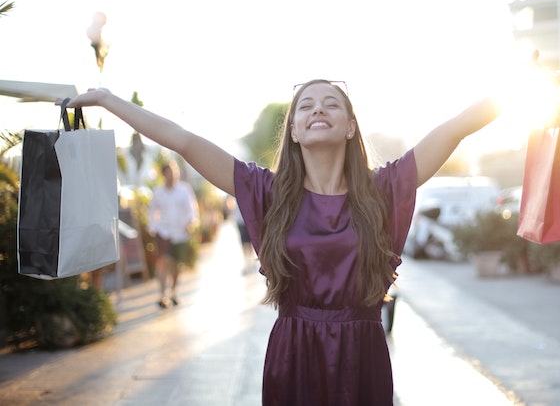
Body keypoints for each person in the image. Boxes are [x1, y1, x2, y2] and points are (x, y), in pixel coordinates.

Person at [57, 79, 501, 405]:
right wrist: (107, 100)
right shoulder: (266, 191)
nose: (317, 110)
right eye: (305, 106)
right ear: (293, 130)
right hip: (294, 350)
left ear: (350, 127)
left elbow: (454, 128)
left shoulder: (381, 189)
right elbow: (185, 142)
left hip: (362, 352)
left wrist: (521, 88)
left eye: (331, 104)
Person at [148, 160, 199, 308]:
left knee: (176, 266)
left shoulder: (184, 190)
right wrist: (155, 228)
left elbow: (191, 210)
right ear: (164, 174)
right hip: (164, 234)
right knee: (164, 263)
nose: (172, 175)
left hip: (180, 234)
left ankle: (174, 293)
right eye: (169, 172)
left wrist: (190, 223)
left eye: (174, 171)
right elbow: (152, 212)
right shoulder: (158, 192)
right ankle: (162, 296)